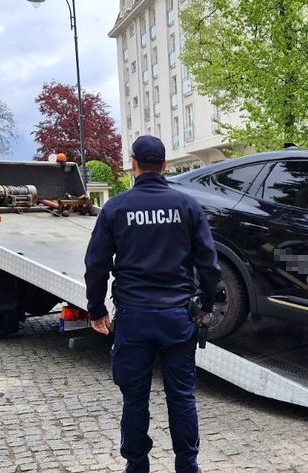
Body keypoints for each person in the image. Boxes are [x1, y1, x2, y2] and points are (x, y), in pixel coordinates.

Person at [84, 135, 221, 473]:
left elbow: (96, 264)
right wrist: (207, 306)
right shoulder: (187, 206)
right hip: (178, 318)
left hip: (133, 319)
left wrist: (96, 309)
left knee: (134, 399)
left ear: (133, 165)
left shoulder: (116, 207)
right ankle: (188, 466)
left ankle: (136, 466)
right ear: (163, 166)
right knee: (182, 397)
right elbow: (209, 264)